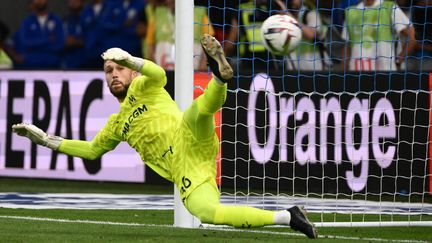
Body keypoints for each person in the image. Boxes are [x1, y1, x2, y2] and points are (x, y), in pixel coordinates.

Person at [11, 34, 317, 239]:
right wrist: (45, 140)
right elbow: (91, 150)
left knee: (197, 112)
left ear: (131, 73)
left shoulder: (144, 85)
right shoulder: (116, 123)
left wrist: (131, 59)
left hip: (189, 135)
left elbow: (159, 74)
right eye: (108, 70)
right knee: (206, 212)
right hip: (187, 170)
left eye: (119, 69)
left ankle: (219, 77)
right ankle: (288, 218)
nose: (114, 74)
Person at [341, 0, 415, 71]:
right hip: (357, 72)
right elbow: (347, 45)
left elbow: (411, 38)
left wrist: (398, 61)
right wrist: (344, 70)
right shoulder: (351, 12)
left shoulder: (390, 7)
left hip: (385, 72)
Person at [13, 0, 65, 69]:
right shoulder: (27, 21)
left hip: (53, 64)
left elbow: (59, 44)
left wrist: (36, 46)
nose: (39, 1)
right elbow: (26, 42)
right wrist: (48, 40)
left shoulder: (56, 20)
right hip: (31, 64)